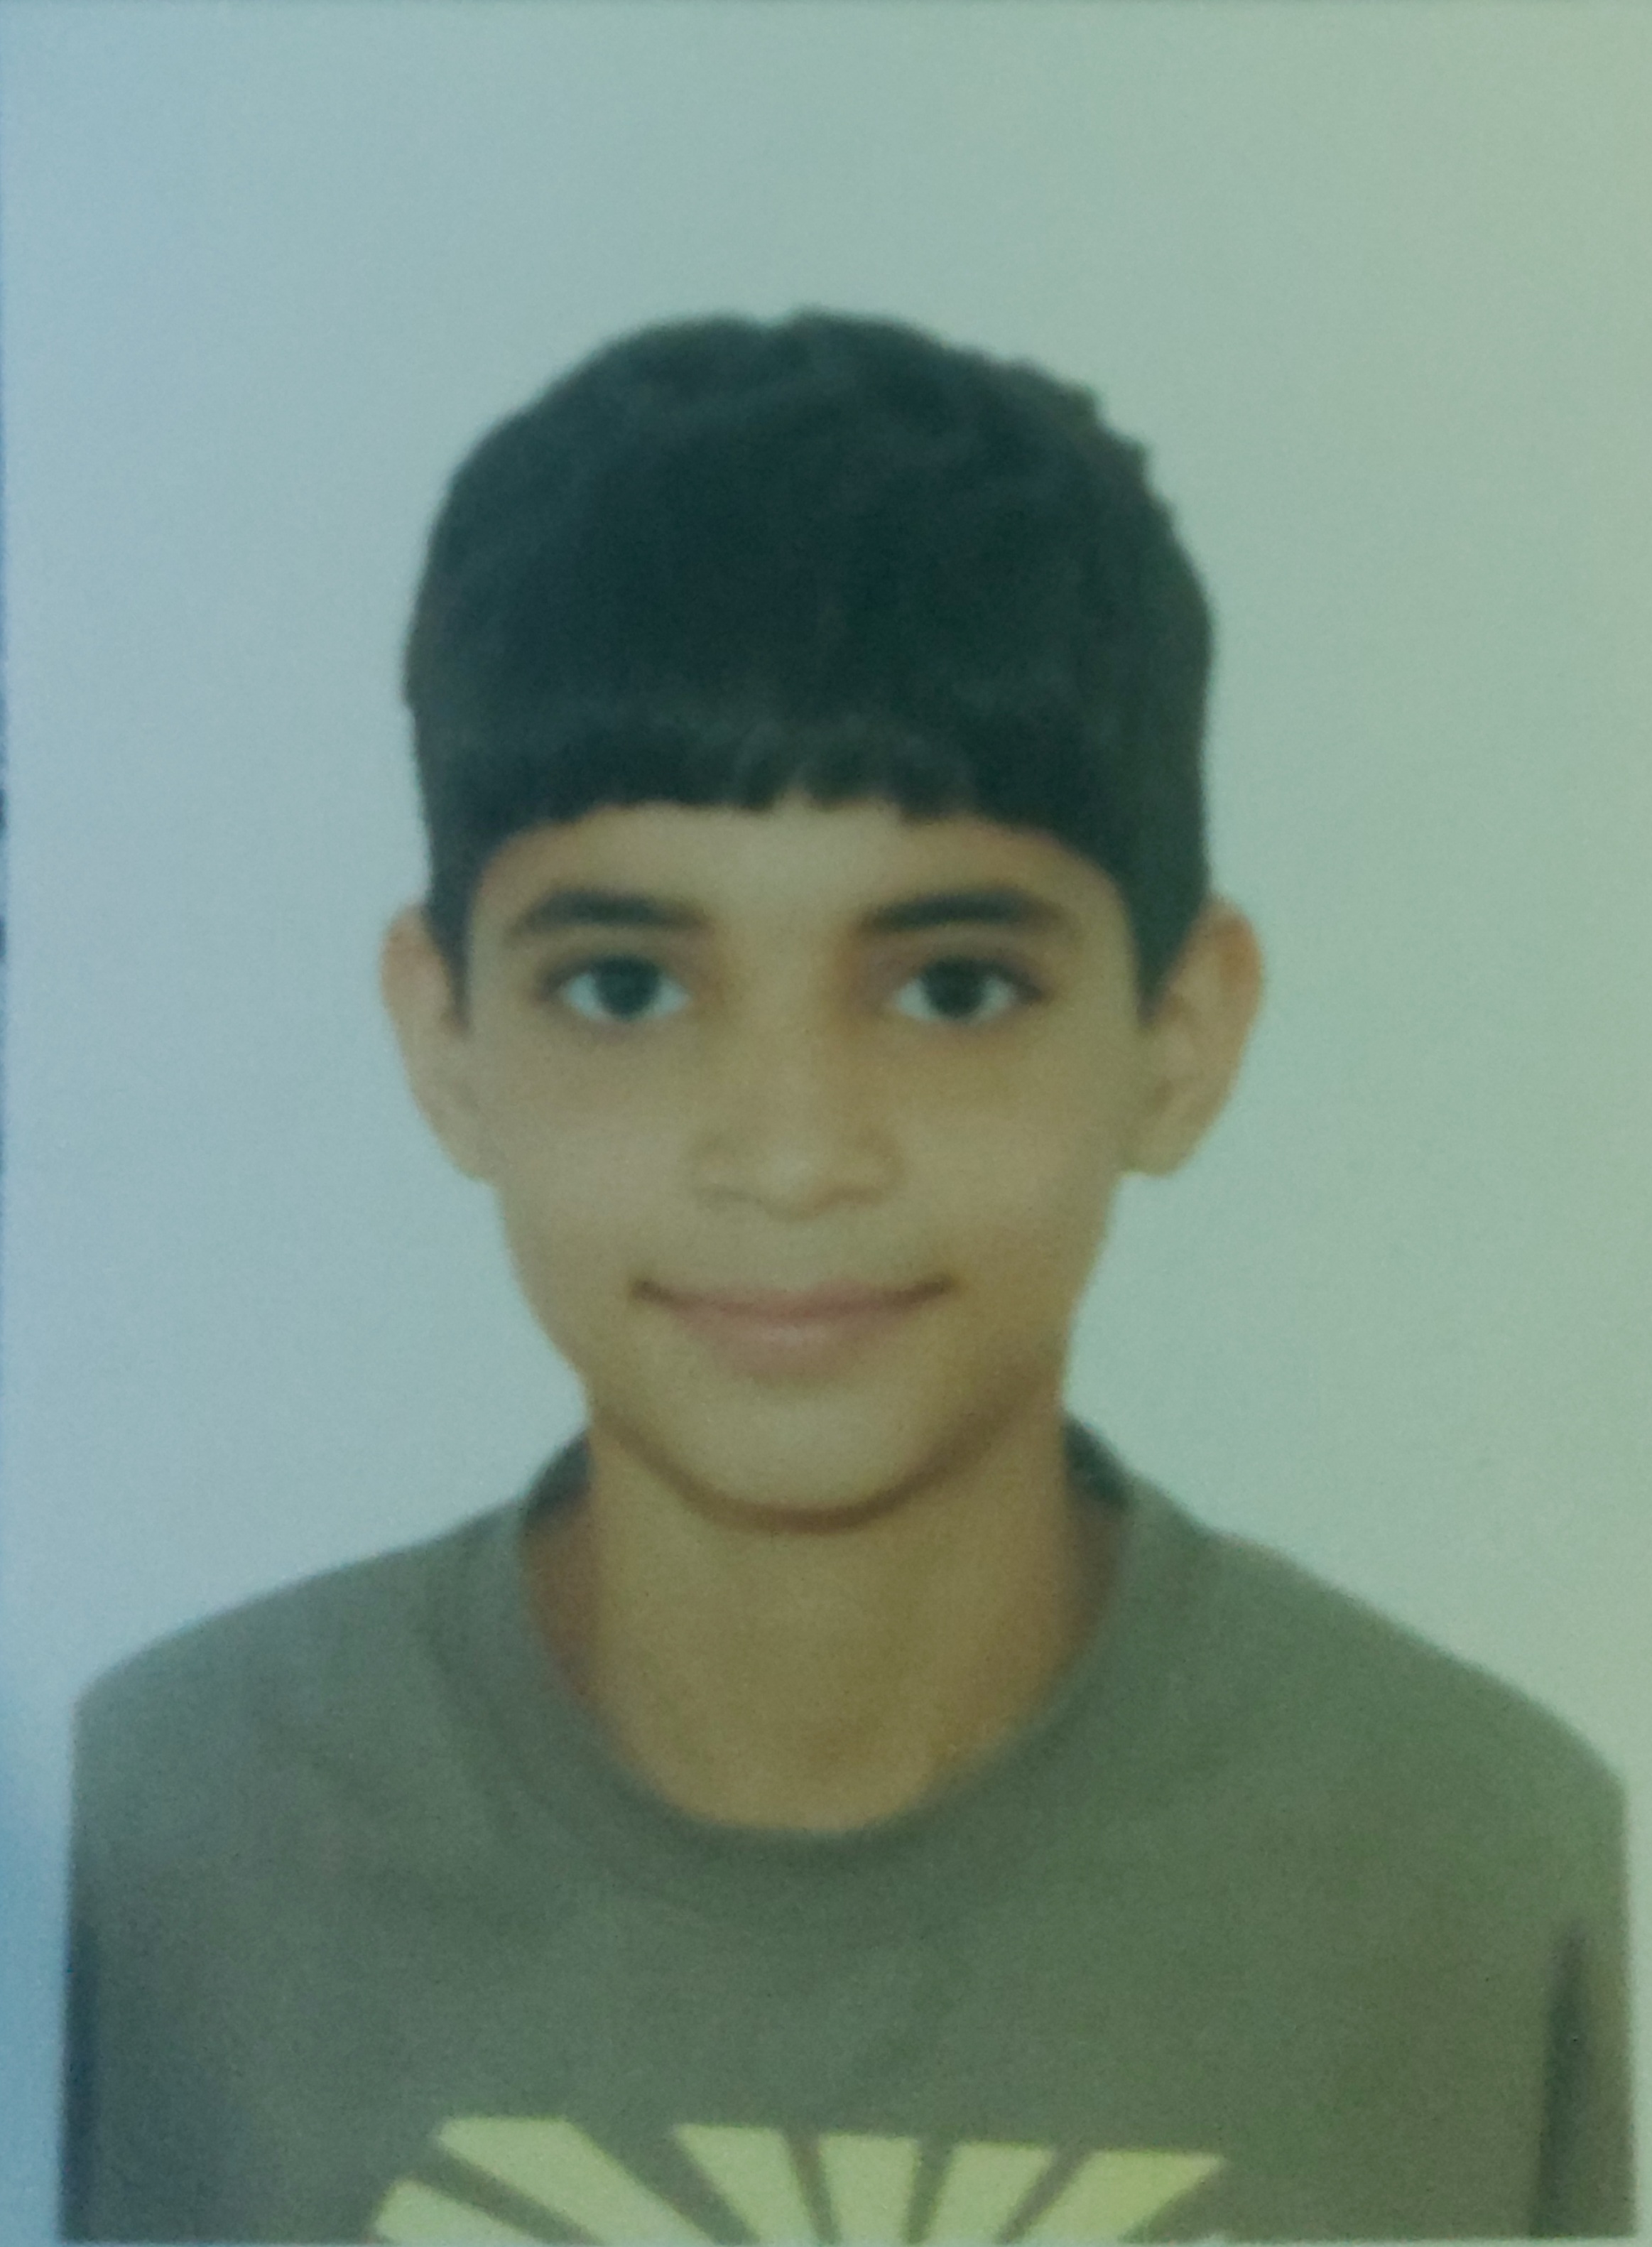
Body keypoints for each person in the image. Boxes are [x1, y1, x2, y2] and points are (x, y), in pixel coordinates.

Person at [62, 313, 1631, 2244]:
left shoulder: (1478, 1873)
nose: (794, 1153)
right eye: (624, 986)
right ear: (446, 1036)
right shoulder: (151, 1849)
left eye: (952, 987)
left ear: (1180, 1031)